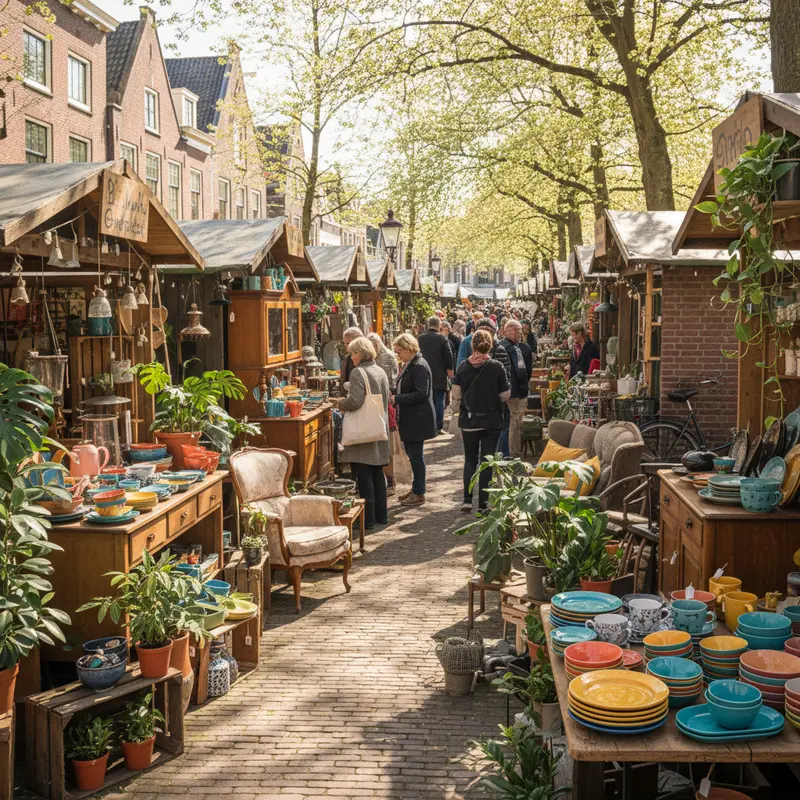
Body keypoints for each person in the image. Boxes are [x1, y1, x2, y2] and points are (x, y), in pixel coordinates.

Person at [452, 329, 510, 512]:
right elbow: (506, 394)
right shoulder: (496, 367)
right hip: (491, 421)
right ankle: (483, 504)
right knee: (486, 462)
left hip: (469, 421)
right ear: (490, 345)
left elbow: (456, 394)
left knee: (470, 460)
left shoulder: (462, 367)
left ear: (472, 345)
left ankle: (467, 500)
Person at [335, 337, 390, 529]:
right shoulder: (380, 370)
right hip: (377, 426)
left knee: (364, 473)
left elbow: (356, 401)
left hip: (363, 431)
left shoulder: (359, 372)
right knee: (376, 472)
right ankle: (381, 516)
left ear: (360, 353)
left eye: (353, 353)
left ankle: (367, 520)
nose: (352, 357)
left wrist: (339, 403)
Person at [392, 333, 436, 506]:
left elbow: (421, 393)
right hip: (412, 418)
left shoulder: (418, 366)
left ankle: (419, 492)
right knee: (413, 455)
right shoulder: (412, 363)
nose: (398, 355)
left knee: (416, 457)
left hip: (417, 419)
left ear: (409, 349)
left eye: (400, 351)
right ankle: (416, 488)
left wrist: (398, 398)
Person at [368, 332, 399, 497]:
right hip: (373, 405)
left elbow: (392, 381)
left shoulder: (388, 357)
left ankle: (390, 480)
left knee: (387, 445)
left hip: (385, 404)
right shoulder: (371, 359)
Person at [499, 319, 533, 457]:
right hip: (515, 392)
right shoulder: (515, 349)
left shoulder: (499, 346)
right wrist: (524, 389)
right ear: (510, 332)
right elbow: (522, 372)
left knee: (507, 424)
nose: (520, 335)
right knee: (515, 424)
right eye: (518, 332)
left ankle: (504, 453)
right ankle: (513, 454)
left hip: (503, 392)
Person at [417, 316, 453, 434]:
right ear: (439, 326)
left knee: (427, 400)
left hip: (423, 373)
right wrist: (450, 369)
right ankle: (438, 426)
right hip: (439, 374)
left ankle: (427, 425)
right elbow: (448, 355)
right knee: (439, 400)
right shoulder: (442, 338)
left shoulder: (421, 338)